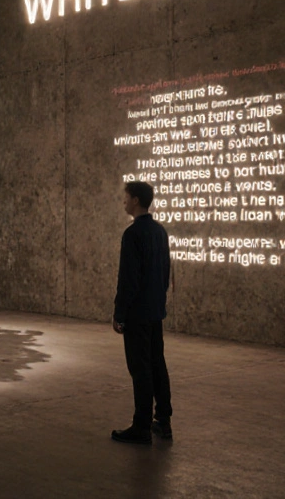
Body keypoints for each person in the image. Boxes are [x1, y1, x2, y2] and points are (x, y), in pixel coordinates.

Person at [111, 181, 173, 445]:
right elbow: (165, 272)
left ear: (135, 200)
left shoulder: (133, 234)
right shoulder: (160, 232)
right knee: (157, 364)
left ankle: (141, 425)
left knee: (140, 368)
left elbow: (129, 279)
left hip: (137, 313)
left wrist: (119, 313)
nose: (123, 201)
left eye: (125, 197)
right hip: (154, 311)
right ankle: (163, 421)